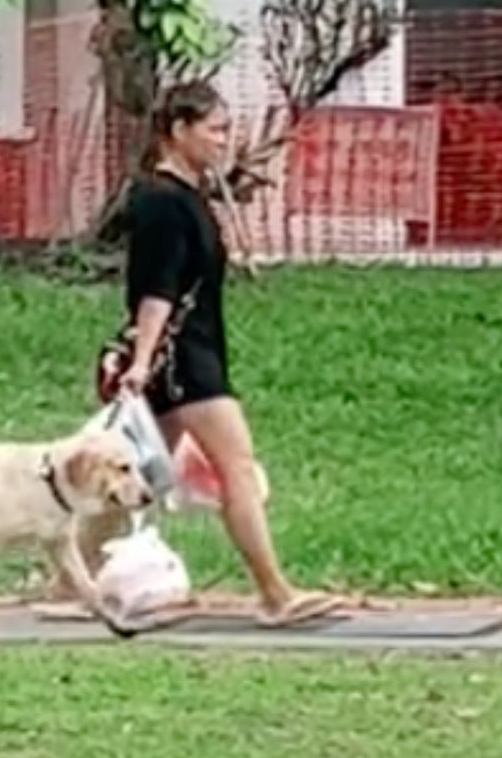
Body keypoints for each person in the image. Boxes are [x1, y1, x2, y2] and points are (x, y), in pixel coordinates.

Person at [92, 82, 345, 628]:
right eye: (215, 129)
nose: (223, 140)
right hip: (183, 359)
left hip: (190, 352)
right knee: (237, 467)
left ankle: (74, 583)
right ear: (178, 130)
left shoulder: (190, 197)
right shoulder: (161, 201)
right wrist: (143, 360)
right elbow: (156, 289)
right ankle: (275, 594)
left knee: (132, 472)